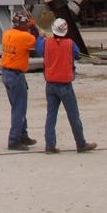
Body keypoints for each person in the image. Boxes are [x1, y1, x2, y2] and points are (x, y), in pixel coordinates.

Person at [35, 17, 97, 154]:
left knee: (51, 116)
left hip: (50, 85)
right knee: (73, 115)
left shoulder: (46, 43)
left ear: (53, 30)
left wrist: (41, 37)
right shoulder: (70, 44)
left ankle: (50, 145)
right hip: (65, 86)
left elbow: (38, 48)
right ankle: (81, 144)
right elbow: (76, 54)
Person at [0, 10, 39, 149]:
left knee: (18, 107)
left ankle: (23, 135)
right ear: (21, 23)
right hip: (16, 75)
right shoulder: (24, 36)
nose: (28, 25)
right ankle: (14, 140)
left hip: (6, 73)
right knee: (19, 108)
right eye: (26, 23)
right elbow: (35, 40)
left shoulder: (7, 34)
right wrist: (34, 27)